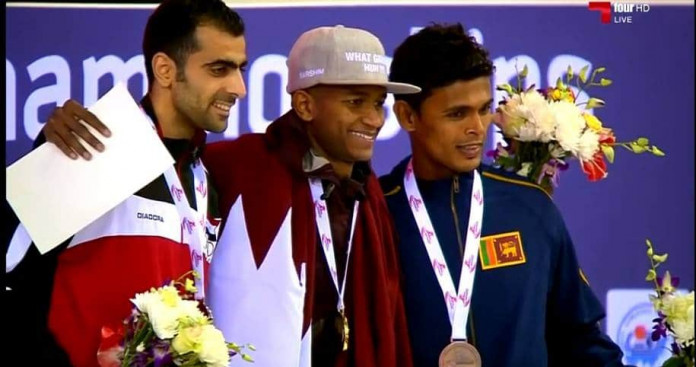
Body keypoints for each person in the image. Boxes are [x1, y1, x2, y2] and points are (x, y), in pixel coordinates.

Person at [4, 1, 247, 366]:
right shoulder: (91, 147)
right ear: (165, 69)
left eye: (240, 69)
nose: (238, 87)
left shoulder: (203, 178)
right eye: (219, 69)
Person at [379, 23, 630, 367]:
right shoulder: (374, 213)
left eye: (483, 109)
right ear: (407, 116)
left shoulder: (531, 207)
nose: (477, 128)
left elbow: (581, 341)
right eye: (457, 114)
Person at [202, 25, 419, 367]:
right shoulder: (239, 168)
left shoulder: (368, 191)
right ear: (304, 105)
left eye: (378, 103)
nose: (374, 119)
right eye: (355, 101)